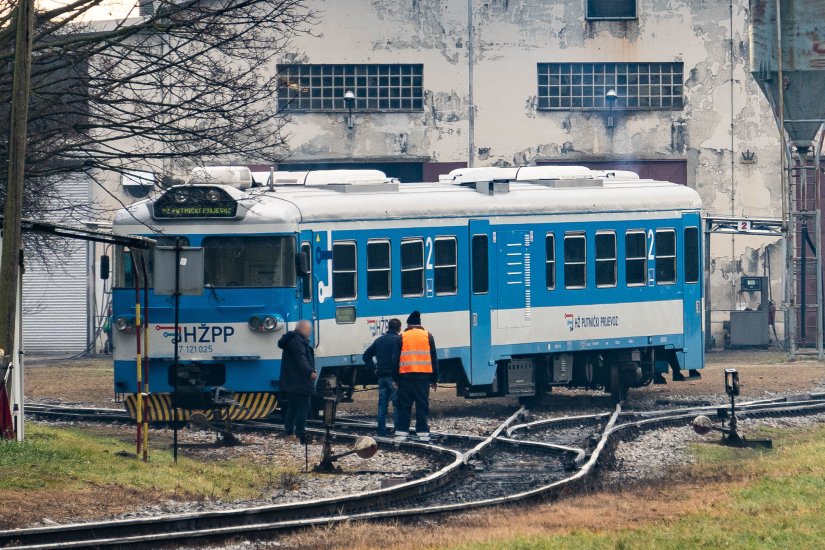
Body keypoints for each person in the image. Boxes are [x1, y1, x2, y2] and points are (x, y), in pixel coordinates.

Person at [392, 311, 438, 443]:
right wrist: (434, 379)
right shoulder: (428, 336)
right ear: (419, 324)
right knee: (422, 404)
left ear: (408, 324)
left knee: (404, 405)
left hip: (405, 377)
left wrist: (395, 378)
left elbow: (395, 360)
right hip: (423, 378)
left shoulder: (402, 337)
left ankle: (401, 433)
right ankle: (423, 432)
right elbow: (434, 359)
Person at [278, 320, 317, 443]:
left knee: (293, 408)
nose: (310, 332)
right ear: (302, 329)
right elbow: (301, 359)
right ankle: (300, 433)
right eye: (308, 330)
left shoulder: (293, 339)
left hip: (292, 381)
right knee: (303, 408)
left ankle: (289, 432)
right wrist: (309, 371)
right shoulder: (297, 341)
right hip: (300, 381)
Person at [362, 318, 402, 437]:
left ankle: (381, 432)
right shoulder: (398, 340)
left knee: (382, 406)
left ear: (388, 327)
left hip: (381, 377)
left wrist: (373, 369)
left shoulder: (379, 340)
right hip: (393, 378)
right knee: (396, 405)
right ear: (399, 328)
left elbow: (366, 356)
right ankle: (398, 431)